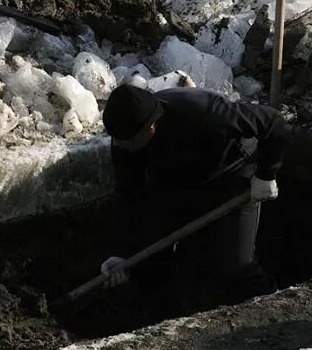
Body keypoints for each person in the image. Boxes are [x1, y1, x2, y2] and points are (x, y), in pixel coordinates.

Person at [96, 82, 288, 298]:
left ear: (150, 127)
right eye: (116, 141)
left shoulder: (204, 112)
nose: (119, 146)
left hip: (232, 174)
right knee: (154, 252)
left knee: (236, 267)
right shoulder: (124, 140)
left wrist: (266, 175)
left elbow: (273, 121)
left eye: (125, 142)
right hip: (179, 179)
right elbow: (129, 195)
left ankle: (270, 302)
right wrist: (122, 253)